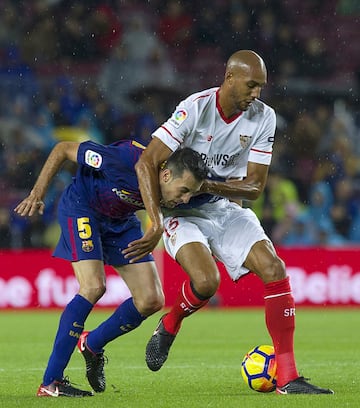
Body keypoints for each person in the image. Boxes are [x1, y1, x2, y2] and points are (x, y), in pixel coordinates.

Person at [123, 50, 334, 395]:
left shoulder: (264, 117)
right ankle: (171, 322)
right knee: (207, 282)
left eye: (261, 87)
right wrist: (155, 221)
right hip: (181, 209)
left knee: (274, 268)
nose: (256, 94)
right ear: (230, 78)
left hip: (222, 206)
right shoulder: (195, 108)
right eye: (251, 85)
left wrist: (206, 186)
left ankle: (288, 377)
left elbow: (253, 187)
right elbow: (147, 162)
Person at [14, 139, 208, 397]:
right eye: (184, 190)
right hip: (83, 209)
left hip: (121, 222)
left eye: (191, 194)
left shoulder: (175, 185)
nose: (185, 199)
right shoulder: (121, 160)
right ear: (166, 174)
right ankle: (51, 383)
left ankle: (91, 345)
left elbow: (225, 190)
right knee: (94, 287)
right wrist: (38, 192)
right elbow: (63, 149)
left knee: (151, 300)